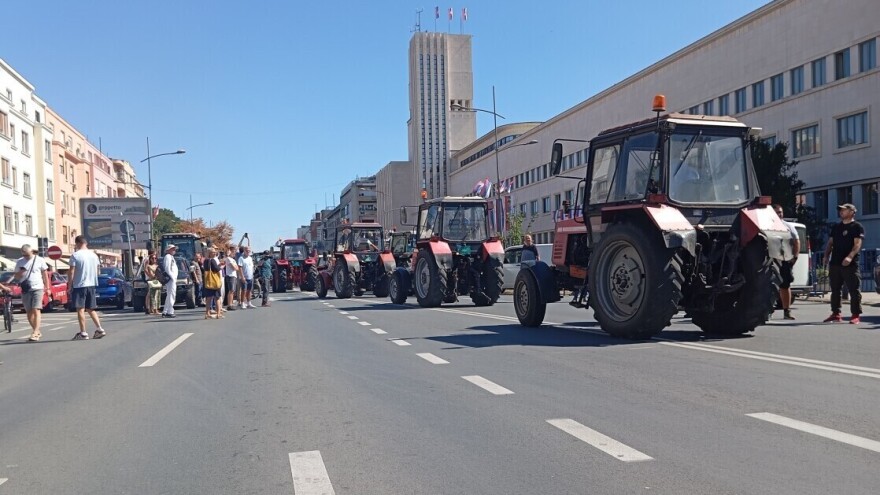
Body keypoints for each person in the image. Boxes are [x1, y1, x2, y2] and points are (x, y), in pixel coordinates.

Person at [822, 203, 865, 324]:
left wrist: (850, 257)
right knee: (835, 289)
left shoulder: (857, 227)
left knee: (854, 289)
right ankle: (836, 313)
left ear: (852, 212)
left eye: (844, 210)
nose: (841, 212)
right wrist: (826, 255)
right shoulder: (836, 227)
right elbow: (830, 243)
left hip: (850, 264)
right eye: (840, 210)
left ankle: (855, 314)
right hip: (835, 262)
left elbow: (857, 244)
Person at [67, 235, 107, 340]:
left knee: (80, 309)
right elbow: (98, 270)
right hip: (92, 284)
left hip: (79, 285)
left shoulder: (75, 255)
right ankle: (99, 328)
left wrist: (69, 285)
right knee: (91, 308)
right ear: (86, 243)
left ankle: (83, 332)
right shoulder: (94, 255)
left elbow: (71, 271)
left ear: (78, 243)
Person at [14, 244, 50, 342]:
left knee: (36, 309)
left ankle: (35, 332)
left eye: (28, 255)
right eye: (24, 255)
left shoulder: (39, 260)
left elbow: (45, 274)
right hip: (25, 289)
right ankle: (36, 330)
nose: (26, 257)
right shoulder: (20, 261)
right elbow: (16, 276)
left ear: (32, 252)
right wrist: (20, 273)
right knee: (29, 312)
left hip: (38, 288)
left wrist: (47, 287)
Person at [774, 204, 800, 320]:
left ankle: (787, 311)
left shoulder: (788, 226)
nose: (779, 214)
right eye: (776, 212)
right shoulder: (765, 225)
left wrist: (795, 257)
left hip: (785, 260)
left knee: (785, 285)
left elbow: (796, 241)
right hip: (769, 260)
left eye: (780, 212)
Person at [202, 247, 223, 319]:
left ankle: (207, 313)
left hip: (208, 281)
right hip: (215, 282)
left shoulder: (205, 261)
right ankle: (218, 313)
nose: (214, 253)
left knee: (208, 298)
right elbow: (216, 269)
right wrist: (221, 266)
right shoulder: (213, 260)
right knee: (217, 298)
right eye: (213, 252)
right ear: (209, 253)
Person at [162, 244, 180, 318]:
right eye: (172, 249)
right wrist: (172, 277)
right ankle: (170, 311)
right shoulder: (168, 257)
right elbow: (167, 268)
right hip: (170, 279)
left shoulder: (171, 257)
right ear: (168, 250)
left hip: (172, 279)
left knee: (170, 295)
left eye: (174, 249)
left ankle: (165, 311)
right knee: (171, 295)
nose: (174, 250)